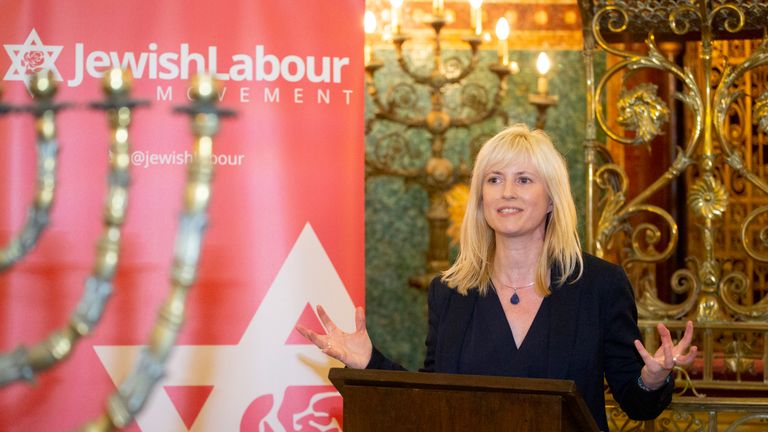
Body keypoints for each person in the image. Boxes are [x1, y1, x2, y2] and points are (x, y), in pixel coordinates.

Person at [297, 124, 697, 431]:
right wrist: (370, 362)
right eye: (494, 179)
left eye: (524, 179)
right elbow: (431, 399)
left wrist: (652, 377)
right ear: (481, 197)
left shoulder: (599, 285)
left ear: (552, 198)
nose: (507, 192)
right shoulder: (450, 291)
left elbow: (637, 404)